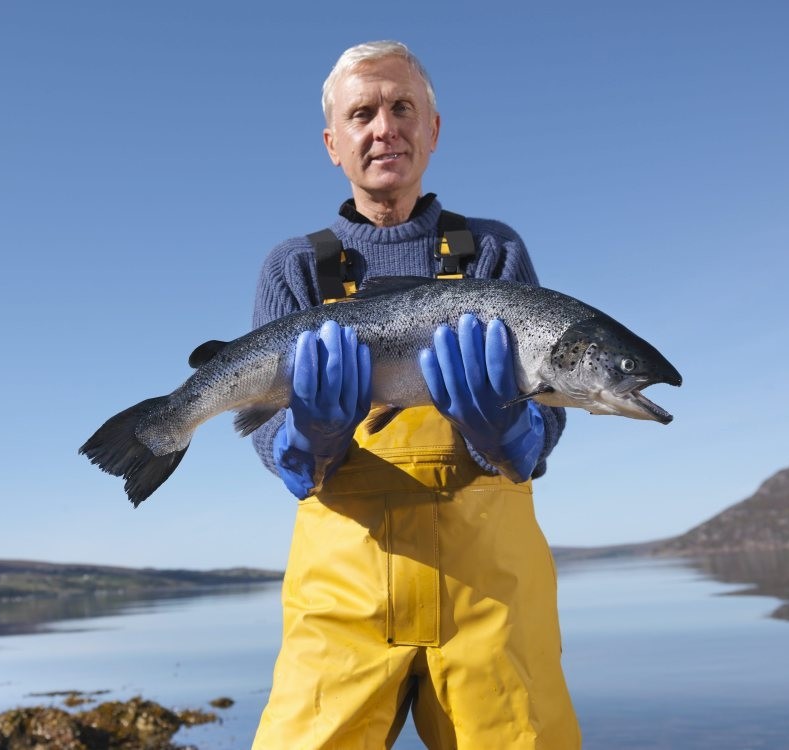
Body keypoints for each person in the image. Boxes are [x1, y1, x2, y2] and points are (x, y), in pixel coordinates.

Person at [249, 41, 582, 749]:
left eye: (403, 107)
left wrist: (512, 437)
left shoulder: (494, 252)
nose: (384, 127)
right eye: (362, 113)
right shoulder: (294, 266)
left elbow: (550, 407)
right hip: (341, 605)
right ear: (332, 143)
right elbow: (265, 437)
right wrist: (307, 440)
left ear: (433, 129)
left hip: (491, 606)